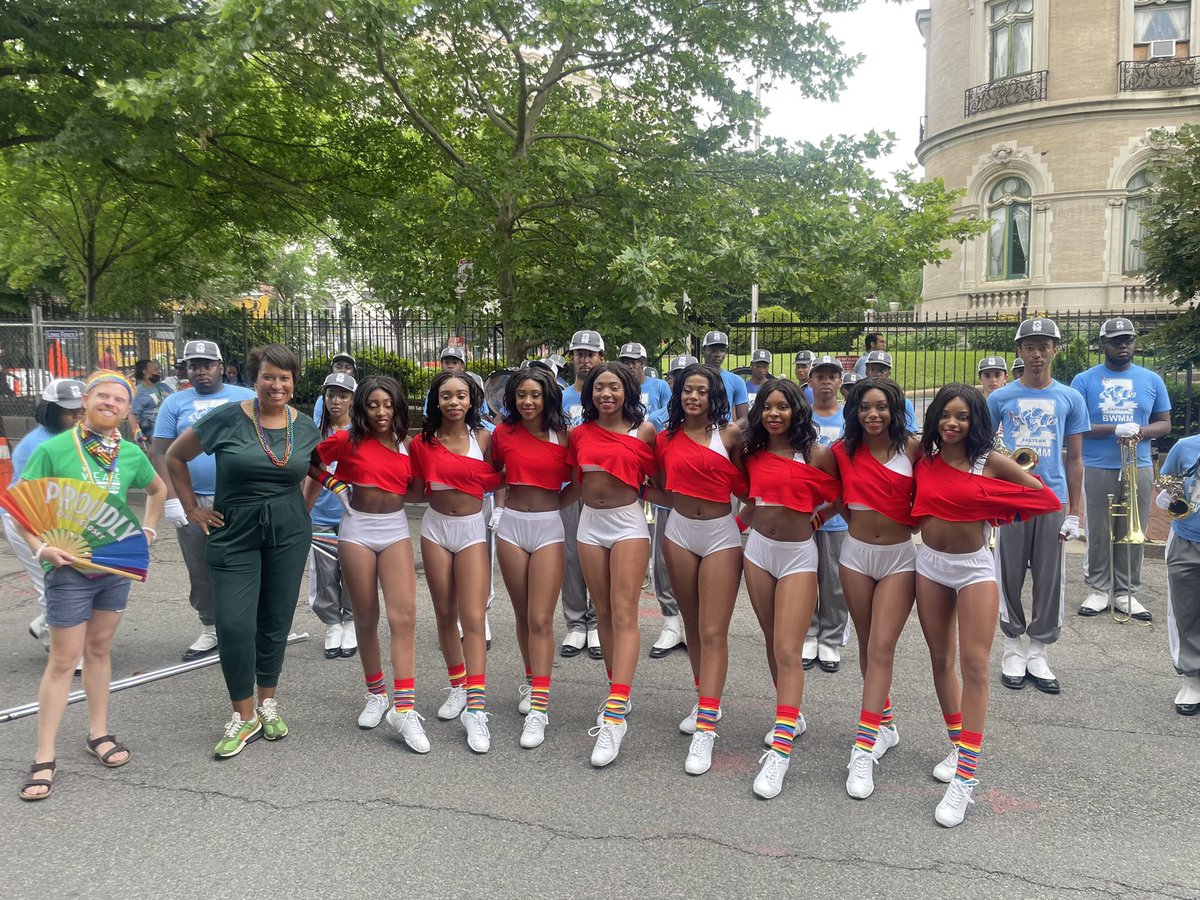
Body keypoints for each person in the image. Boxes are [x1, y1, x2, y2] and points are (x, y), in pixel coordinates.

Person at [911, 384, 1061, 827]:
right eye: (945, 415)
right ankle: (959, 746)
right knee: (941, 660)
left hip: (974, 568)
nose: (952, 423)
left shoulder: (990, 462)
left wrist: (992, 507)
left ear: (976, 421)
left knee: (975, 665)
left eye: (961, 416)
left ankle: (966, 780)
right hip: (930, 565)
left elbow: (1042, 497)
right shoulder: (926, 458)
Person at [15, 371, 166, 800]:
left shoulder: (130, 453)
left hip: (113, 568)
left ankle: (98, 734)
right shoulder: (55, 449)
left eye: (120, 400)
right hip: (67, 568)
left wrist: (148, 531)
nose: (111, 404)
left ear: (126, 409)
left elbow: (157, 491)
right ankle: (44, 755)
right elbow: (21, 505)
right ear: (86, 400)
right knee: (64, 660)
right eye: (104, 396)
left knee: (99, 650)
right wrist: (41, 548)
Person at [166, 344, 322, 758]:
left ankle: (268, 702)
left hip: (288, 533)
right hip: (234, 530)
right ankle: (243, 714)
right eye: (269, 376)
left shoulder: (304, 426)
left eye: (285, 377)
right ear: (254, 378)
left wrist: (301, 512)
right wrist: (192, 509)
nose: (277, 384)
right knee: (234, 624)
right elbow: (175, 457)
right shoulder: (226, 419)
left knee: (275, 619)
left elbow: (317, 470)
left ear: (294, 382)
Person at [314, 375, 429, 752]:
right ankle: (376, 693)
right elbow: (311, 462)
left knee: (404, 616)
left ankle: (405, 707)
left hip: (394, 529)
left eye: (387, 404)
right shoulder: (347, 440)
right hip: (356, 530)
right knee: (365, 615)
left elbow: (417, 488)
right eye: (372, 405)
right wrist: (335, 486)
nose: (381, 412)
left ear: (397, 406)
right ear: (361, 407)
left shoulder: (408, 445)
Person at [740, 379, 841, 799]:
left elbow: (838, 497)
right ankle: (790, 716)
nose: (774, 414)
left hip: (799, 554)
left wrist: (816, 522)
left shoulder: (817, 454)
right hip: (758, 552)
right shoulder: (753, 452)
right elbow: (749, 497)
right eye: (767, 407)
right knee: (770, 640)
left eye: (782, 406)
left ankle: (780, 752)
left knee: (788, 647)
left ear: (796, 411)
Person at [987, 318, 1089, 695]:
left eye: (1044, 346)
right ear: (1020, 351)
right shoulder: (1000, 398)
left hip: (1053, 498)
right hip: (1013, 497)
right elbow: (983, 451)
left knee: (1050, 576)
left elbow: (1076, 458)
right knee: (1008, 572)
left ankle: (1039, 650)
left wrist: (1074, 512)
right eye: (1029, 346)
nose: (1037, 353)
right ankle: (1012, 646)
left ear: (1055, 350)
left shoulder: (1070, 397)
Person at [830, 378, 920, 801]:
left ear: (894, 409)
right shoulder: (841, 452)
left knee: (881, 647)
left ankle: (863, 746)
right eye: (865, 407)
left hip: (901, 558)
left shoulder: (915, 450)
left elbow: (937, 492)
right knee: (867, 645)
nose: (873, 415)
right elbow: (834, 499)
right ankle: (885, 723)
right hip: (855, 557)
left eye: (881, 407)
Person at [657, 363, 748, 775]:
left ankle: (706, 728)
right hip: (678, 532)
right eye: (687, 391)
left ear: (715, 397)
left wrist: (740, 524)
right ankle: (704, 698)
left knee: (713, 630)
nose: (694, 397)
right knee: (691, 624)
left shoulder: (729, 435)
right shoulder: (665, 437)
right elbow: (658, 484)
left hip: (718, 535)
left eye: (702, 392)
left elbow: (750, 486)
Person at [567, 362, 659, 766]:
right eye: (599, 387)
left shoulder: (645, 432)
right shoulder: (579, 434)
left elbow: (661, 479)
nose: (606, 394)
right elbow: (572, 482)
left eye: (614, 387)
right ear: (590, 395)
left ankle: (616, 714)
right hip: (590, 524)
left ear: (627, 392)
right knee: (601, 612)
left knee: (624, 613)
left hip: (628, 524)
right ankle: (615, 691)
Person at [410, 372, 501, 753]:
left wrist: (506, 510)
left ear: (471, 400)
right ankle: (458, 686)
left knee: (474, 616)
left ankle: (476, 708)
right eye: (446, 396)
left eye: (461, 395)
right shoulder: (421, 442)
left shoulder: (485, 438)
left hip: (470, 529)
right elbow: (412, 487)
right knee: (445, 614)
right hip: (435, 529)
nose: (454, 402)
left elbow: (504, 476)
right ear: (436, 401)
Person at [150, 340, 255, 662]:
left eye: (207, 364)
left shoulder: (246, 397)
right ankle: (210, 626)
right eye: (194, 365)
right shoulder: (175, 403)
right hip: (192, 499)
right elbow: (160, 451)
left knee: (245, 562)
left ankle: (245, 626)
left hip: (239, 496)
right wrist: (173, 498)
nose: (201, 371)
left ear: (220, 366)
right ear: (186, 369)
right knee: (200, 565)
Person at [491, 367, 570, 748]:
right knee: (522, 613)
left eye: (535, 395)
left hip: (548, 528)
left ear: (547, 398)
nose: (527, 402)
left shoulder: (565, 436)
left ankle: (540, 706)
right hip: (511, 528)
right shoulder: (502, 434)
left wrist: (557, 506)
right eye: (521, 395)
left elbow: (582, 482)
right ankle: (530, 679)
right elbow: (489, 474)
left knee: (541, 617)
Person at [1071, 318, 1171, 620]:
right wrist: (1115, 428)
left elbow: (1164, 423)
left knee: (1132, 528)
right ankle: (1099, 588)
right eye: (1115, 341)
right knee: (1100, 529)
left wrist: (1139, 431)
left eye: (1128, 339)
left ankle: (1126, 591)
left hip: (1137, 464)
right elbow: (1077, 425)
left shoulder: (1151, 379)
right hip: (1099, 464)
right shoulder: (1085, 380)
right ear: (1103, 345)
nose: (1123, 345)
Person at [3, 379, 85, 651]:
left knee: (69, 579)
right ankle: (60, 646)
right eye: (68, 411)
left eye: (79, 410)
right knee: (50, 580)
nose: (76, 416)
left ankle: (44, 625)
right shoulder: (36, 445)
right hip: (27, 518)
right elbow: (31, 498)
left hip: (59, 518)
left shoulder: (75, 433)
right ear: (49, 410)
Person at [646, 354, 697, 659]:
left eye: (686, 376)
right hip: (668, 504)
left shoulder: (715, 419)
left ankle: (692, 625)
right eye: (676, 376)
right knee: (663, 564)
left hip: (701, 508)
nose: (680, 382)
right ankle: (670, 622)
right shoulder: (656, 421)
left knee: (698, 571)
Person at [306, 372, 358, 659]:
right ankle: (332, 623)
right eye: (331, 395)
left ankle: (351, 621)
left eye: (343, 395)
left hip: (354, 518)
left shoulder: (361, 432)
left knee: (353, 571)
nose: (336, 401)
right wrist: (305, 512)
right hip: (323, 516)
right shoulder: (315, 433)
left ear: (352, 399)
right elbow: (310, 476)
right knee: (324, 573)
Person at [559, 330, 604, 660]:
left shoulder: (607, 396)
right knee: (571, 555)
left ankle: (600, 623)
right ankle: (576, 624)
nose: (584, 359)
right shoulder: (559, 398)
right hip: (569, 487)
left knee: (602, 557)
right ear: (571, 358)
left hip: (603, 491)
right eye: (579, 354)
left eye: (591, 354)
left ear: (601, 357)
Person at [805, 355, 851, 673]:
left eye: (831, 376)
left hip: (837, 515)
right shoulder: (800, 417)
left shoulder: (851, 417)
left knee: (834, 580)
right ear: (810, 381)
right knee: (805, 577)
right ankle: (807, 633)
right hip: (804, 512)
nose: (825, 381)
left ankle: (831, 638)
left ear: (839, 382)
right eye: (819, 376)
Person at [1155, 436, 1200, 716]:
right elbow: (1166, 481)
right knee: (1186, 612)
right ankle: (1192, 679)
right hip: (1187, 538)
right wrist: (1167, 497)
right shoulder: (1185, 446)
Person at [699, 331, 750, 422]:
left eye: (722, 350)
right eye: (713, 350)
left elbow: (743, 419)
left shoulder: (736, 381)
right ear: (703, 350)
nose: (717, 355)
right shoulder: (693, 378)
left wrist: (728, 432)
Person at [863, 350, 919, 432]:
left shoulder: (903, 402)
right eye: (873, 369)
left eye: (882, 370)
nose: (877, 374)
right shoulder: (858, 399)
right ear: (866, 371)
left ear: (889, 373)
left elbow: (911, 432)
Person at [618, 342, 670, 415]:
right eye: (626, 363)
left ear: (643, 363)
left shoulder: (660, 386)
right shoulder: (619, 388)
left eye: (634, 362)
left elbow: (668, 413)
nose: (630, 366)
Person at [129, 359, 172, 447]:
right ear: (145, 372)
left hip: (170, 423)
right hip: (153, 428)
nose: (159, 372)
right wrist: (136, 431)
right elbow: (132, 414)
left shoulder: (164, 387)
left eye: (158, 369)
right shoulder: (140, 391)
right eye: (155, 370)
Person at [311, 351, 358, 426]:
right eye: (338, 367)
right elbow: (317, 426)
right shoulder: (321, 400)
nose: (343, 370)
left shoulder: (361, 396)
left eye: (348, 368)